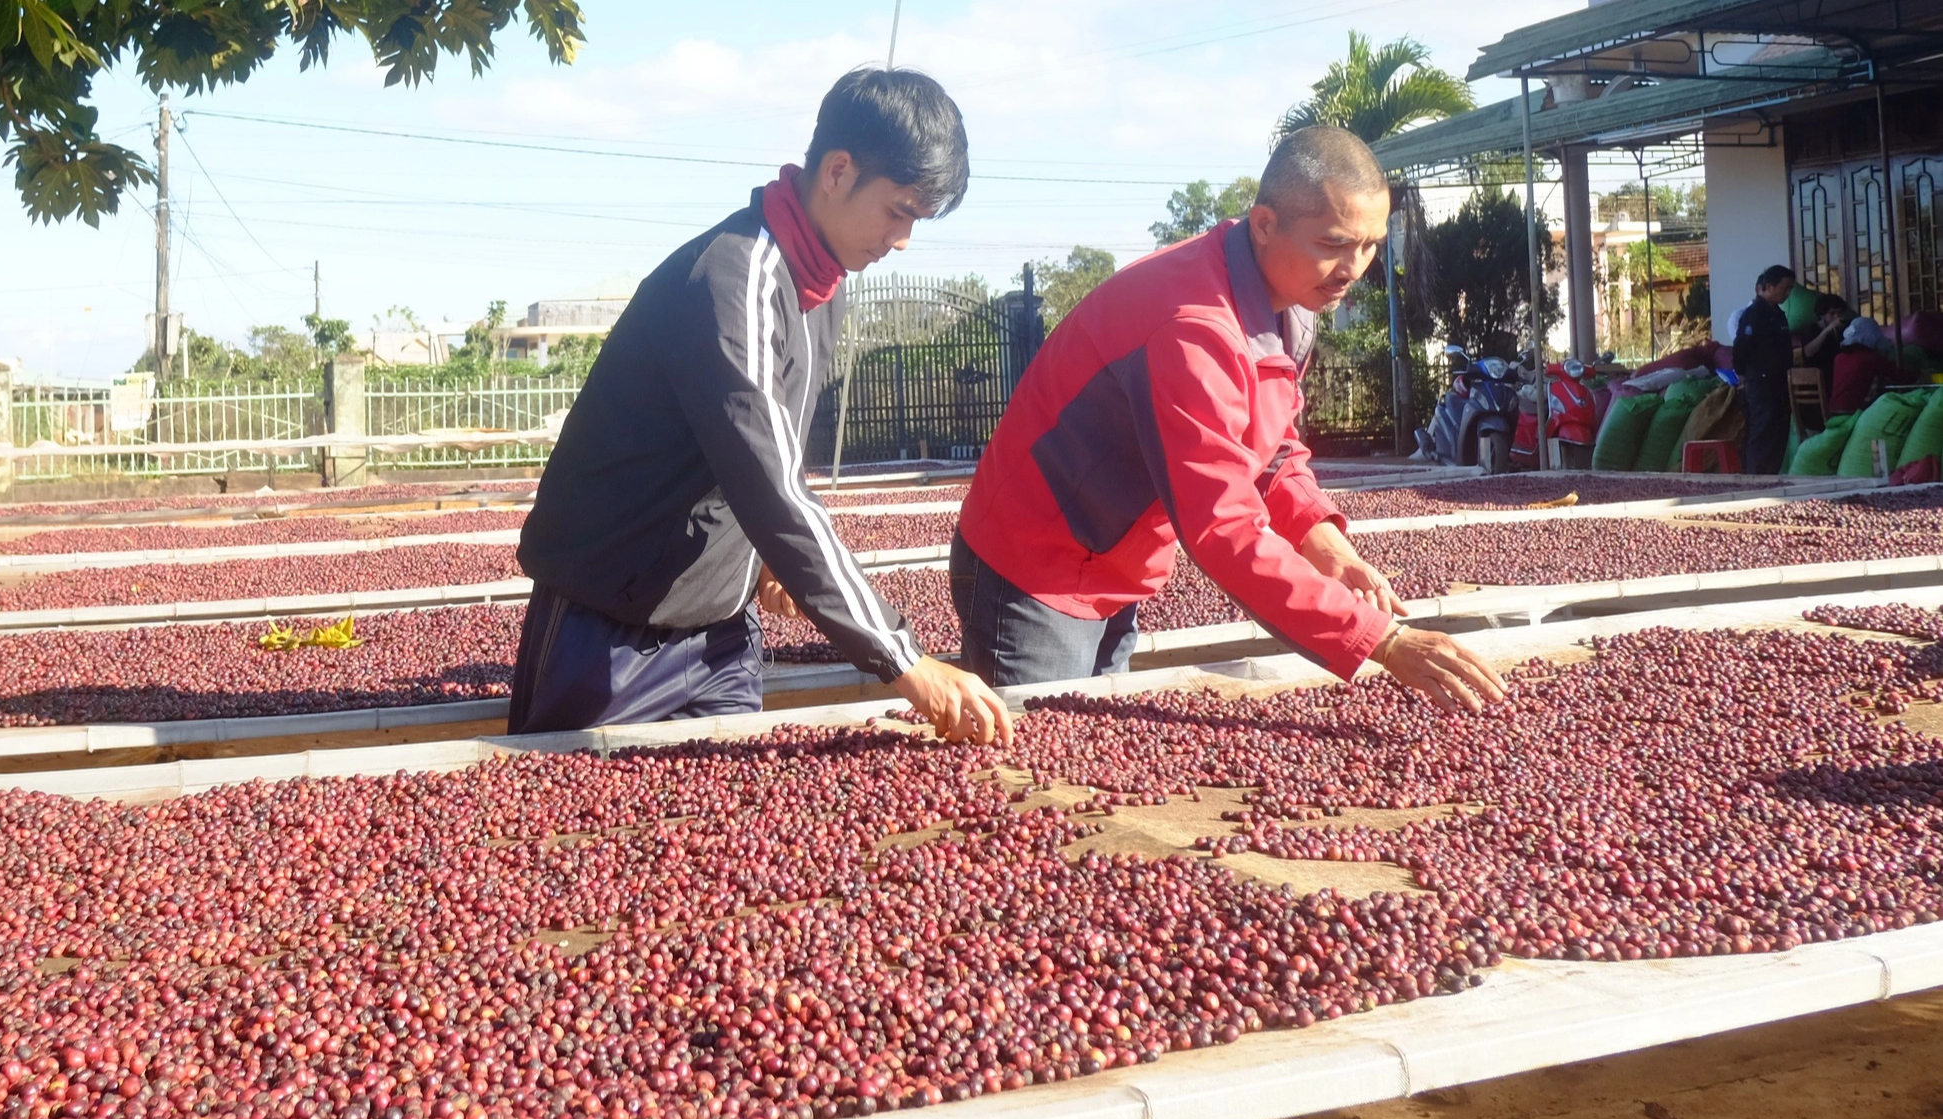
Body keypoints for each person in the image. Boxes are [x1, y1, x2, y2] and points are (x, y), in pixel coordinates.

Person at [513, 67, 1012, 746]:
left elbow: (768, 454)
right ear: (837, 171)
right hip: (608, 637)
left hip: (719, 641)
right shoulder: (731, 280)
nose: (902, 241)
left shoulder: (822, 284)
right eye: (898, 211)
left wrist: (766, 561)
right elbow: (768, 481)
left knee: (726, 843)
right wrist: (903, 659)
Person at [951, 126, 1507, 714]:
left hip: (1116, 563)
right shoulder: (1194, 326)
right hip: (1037, 569)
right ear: (1265, 224)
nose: (1353, 268)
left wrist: (1327, 546)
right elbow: (1224, 527)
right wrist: (1382, 640)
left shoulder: (1291, 302)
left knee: (1086, 739)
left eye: (1369, 245)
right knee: (1038, 763)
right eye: (1334, 243)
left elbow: (1271, 447)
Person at [1731, 264, 1798, 475]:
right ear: (1769, 287)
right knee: (1762, 433)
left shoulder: (1777, 315)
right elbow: (1741, 347)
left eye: (1789, 290)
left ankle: (1770, 477)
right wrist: (1742, 373)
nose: (1786, 294)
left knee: (1778, 432)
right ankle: (1755, 478)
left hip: (1779, 381)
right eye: (1784, 288)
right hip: (1760, 382)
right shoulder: (1754, 314)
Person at [1827, 317, 1913, 416]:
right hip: (1855, 412)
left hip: (1833, 411)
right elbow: (1900, 376)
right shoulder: (1872, 357)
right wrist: (1921, 374)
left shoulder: (1839, 358)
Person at [1800, 293, 1852, 389]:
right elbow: (1808, 352)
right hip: (1817, 379)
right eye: (1832, 313)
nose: (1836, 317)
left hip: (1837, 376)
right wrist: (1827, 330)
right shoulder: (1810, 329)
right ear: (1822, 315)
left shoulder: (1844, 330)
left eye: (1839, 313)